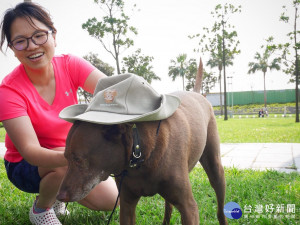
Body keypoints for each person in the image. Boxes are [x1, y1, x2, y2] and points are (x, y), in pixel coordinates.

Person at [0, 2, 118, 225]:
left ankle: (57, 194)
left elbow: (112, 92)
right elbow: (31, 152)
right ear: (12, 48)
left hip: (69, 154)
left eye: (39, 35)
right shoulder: (8, 91)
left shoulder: (70, 64)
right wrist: (80, 157)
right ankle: (41, 209)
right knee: (63, 163)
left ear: (54, 35)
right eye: (20, 41)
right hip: (25, 165)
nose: (32, 46)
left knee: (111, 200)